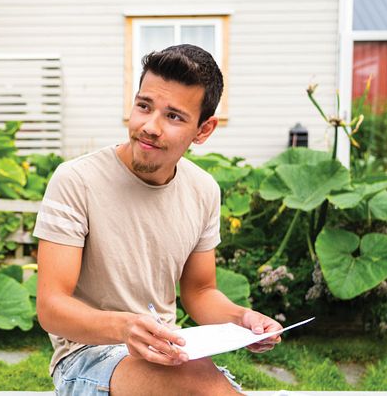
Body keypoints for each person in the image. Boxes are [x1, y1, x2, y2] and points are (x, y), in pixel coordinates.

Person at [33, 44, 283, 396]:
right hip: (86, 355)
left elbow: (199, 291)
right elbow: (51, 307)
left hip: (170, 352)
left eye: (174, 116)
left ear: (203, 130)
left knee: (198, 378)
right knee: (201, 383)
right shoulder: (76, 180)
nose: (150, 126)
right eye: (144, 106)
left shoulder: (203, 190)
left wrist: (242, 319)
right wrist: (126, 327)